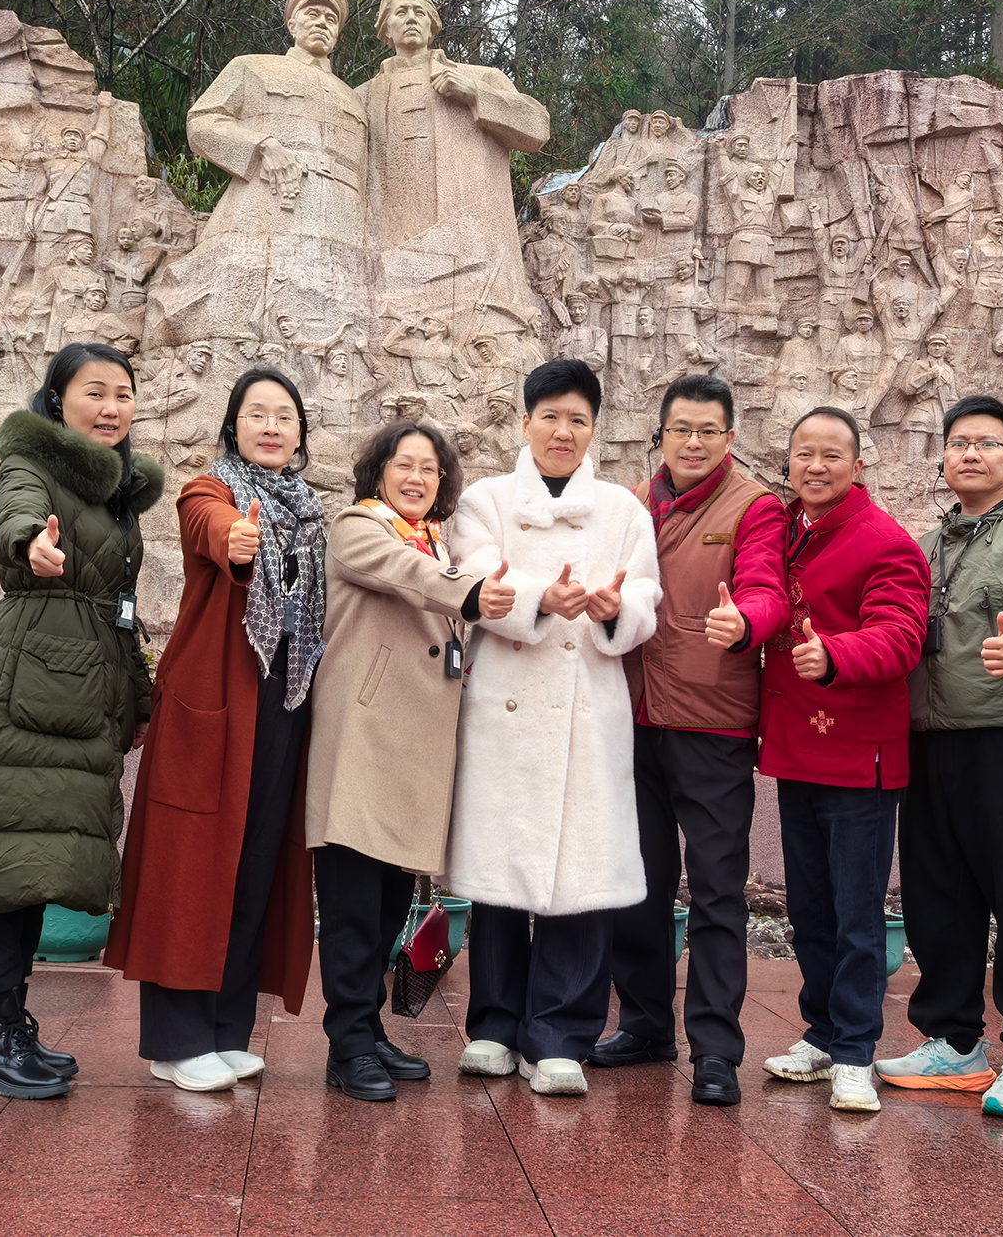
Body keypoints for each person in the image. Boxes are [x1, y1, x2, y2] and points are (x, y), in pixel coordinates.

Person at [0, 342, 165, 1100]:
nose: (111, 407)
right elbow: (18, 512)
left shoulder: (115, 493)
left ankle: (6, 1026)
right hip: (29, 688)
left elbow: (119, 611)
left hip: (81, 693)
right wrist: (27, 542)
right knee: (3, 865)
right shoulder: (32, 461)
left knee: (34, 866)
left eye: (123, 394)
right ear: (57, 399)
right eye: (94, 392)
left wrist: (137, 698)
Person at [104, 367, 326, 1093]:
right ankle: (175, 1040)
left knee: (254, 863)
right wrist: (237, 538)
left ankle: (225, 1031)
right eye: (256, 413)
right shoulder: (211, 489)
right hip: (212, 710)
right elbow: (212, 528)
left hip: (281, 706)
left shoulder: (311, 513)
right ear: (233, 427)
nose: (271, 426)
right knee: (190, 867)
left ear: (300, 432)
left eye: (284, 415)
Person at [447, 359, 662, 1096]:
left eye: (577, 419)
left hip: (586, 709)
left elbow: (646, 598)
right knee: (499, 871)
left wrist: (614, 610)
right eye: (550, 416)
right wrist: (543, 597)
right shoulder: (485, 500)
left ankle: (562, 1035)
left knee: (581, 875)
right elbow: (476, 578)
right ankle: (493, 1025)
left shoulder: (623, 510)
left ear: (594, 428)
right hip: (504, 706)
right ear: (525, 421)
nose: (562, 431)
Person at [875, 394, 1003, 1120]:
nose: (970, 453)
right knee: (937, 893)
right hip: (929, 737)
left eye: (987, 443)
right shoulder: (925, 545)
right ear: (943, 459)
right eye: (959, 442)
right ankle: (954, 1041)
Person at [592, 375, 789, 1105]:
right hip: (633, 715)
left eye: (709, 430)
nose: (695, 442)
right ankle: (645, 1025)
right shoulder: (631, 504)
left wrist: (748, 621)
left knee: (715, 890)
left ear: (730, 437)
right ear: (662, 434)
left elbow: (766, 588)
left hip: (712, 721)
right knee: (637, 884)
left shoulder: (754, 506)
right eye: (682, 429)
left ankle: (715, 1049)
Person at [307, 421, 514, 1102]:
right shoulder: (358, 529)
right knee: (351, 906)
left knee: (388, 903)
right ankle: (346, 1044)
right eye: (404, 464)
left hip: (414, 756)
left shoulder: (435, 543)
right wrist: (474, 590)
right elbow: (409, 575)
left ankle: (368, 1028)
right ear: (378, 472)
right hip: (362, 745)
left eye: (430, 468)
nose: (417, 477)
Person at [757, 407, 930, 1113]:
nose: (816, 466)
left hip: (860, 753)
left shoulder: (886, 542)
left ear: (857, 467)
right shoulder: (786, 529)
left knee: (858, 915)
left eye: (832, 455)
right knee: (810, 908)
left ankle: (856, 1050)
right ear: (789, 462)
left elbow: (902, 636)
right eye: (805, 453)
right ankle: (823, 1033)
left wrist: (834, 654)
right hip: (797, 746)